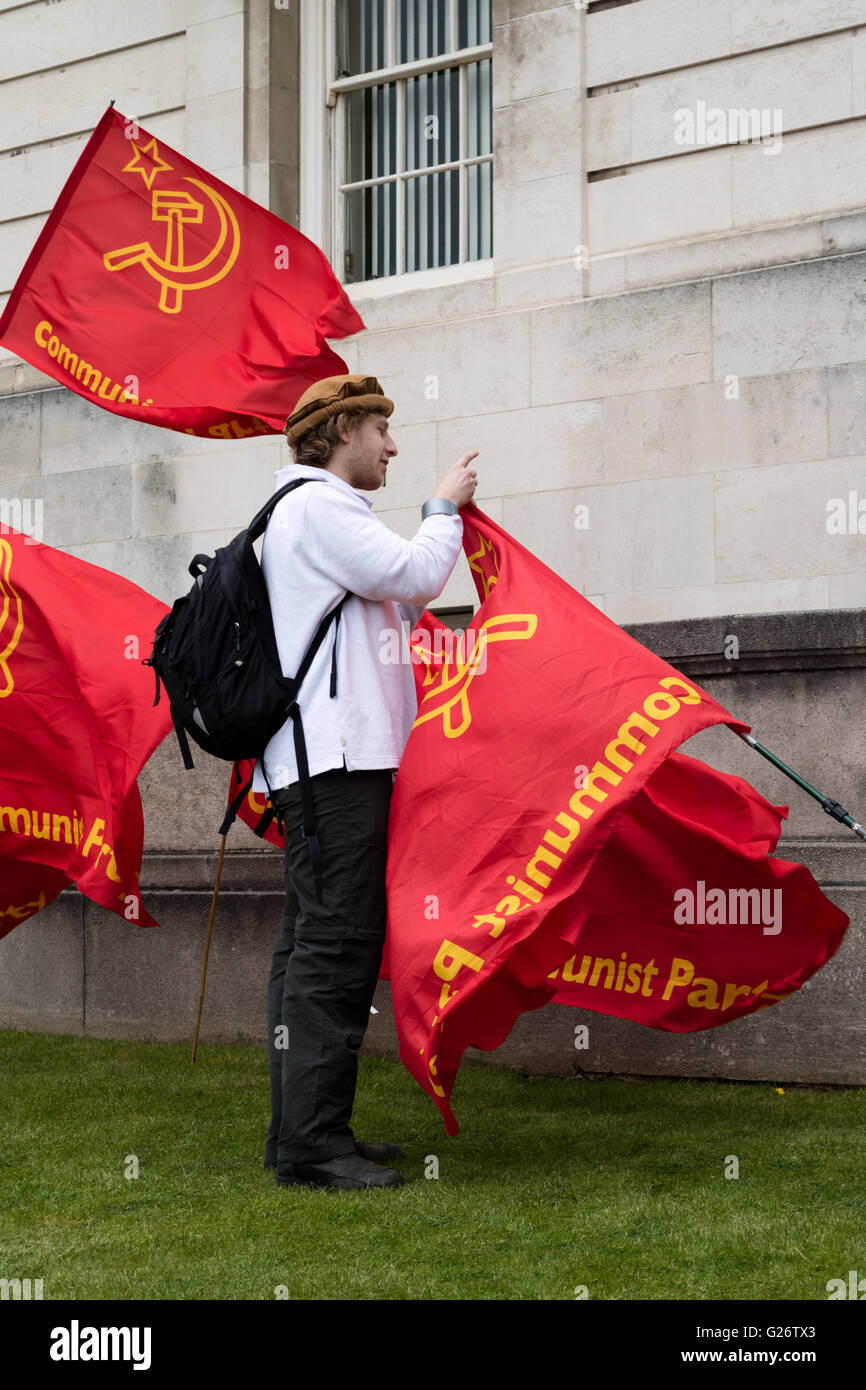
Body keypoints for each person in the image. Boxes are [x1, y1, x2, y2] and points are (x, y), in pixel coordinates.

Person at [258, 373, 478, 1191]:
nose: (392, 446)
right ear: (343, 429)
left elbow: (390, 608)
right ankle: (313, 1146)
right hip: (339, 766)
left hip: (321, 764)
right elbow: (417, 576)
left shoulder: (304, 515)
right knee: (336, 948)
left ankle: (303, 1133)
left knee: (306, 945)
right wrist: (442, 509)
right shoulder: (320, 507)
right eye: (381, 430)